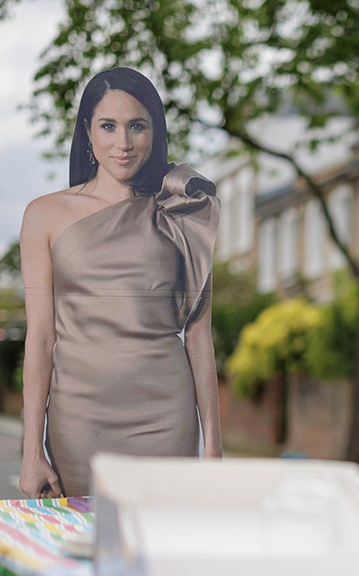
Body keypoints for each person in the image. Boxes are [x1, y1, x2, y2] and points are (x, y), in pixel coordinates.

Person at [18, 67, 223, 499]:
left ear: (155, 131)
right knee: (88, 553)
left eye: (137, 126)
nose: (123, 143)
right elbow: (40, 336)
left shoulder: (182, 211)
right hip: (79, 417)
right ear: (87, 132)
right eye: (108, 126)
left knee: (165, 553)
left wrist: (214, 448)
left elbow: (200, 336)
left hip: (167, 414)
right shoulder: (43, 215)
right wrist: (30, 450)